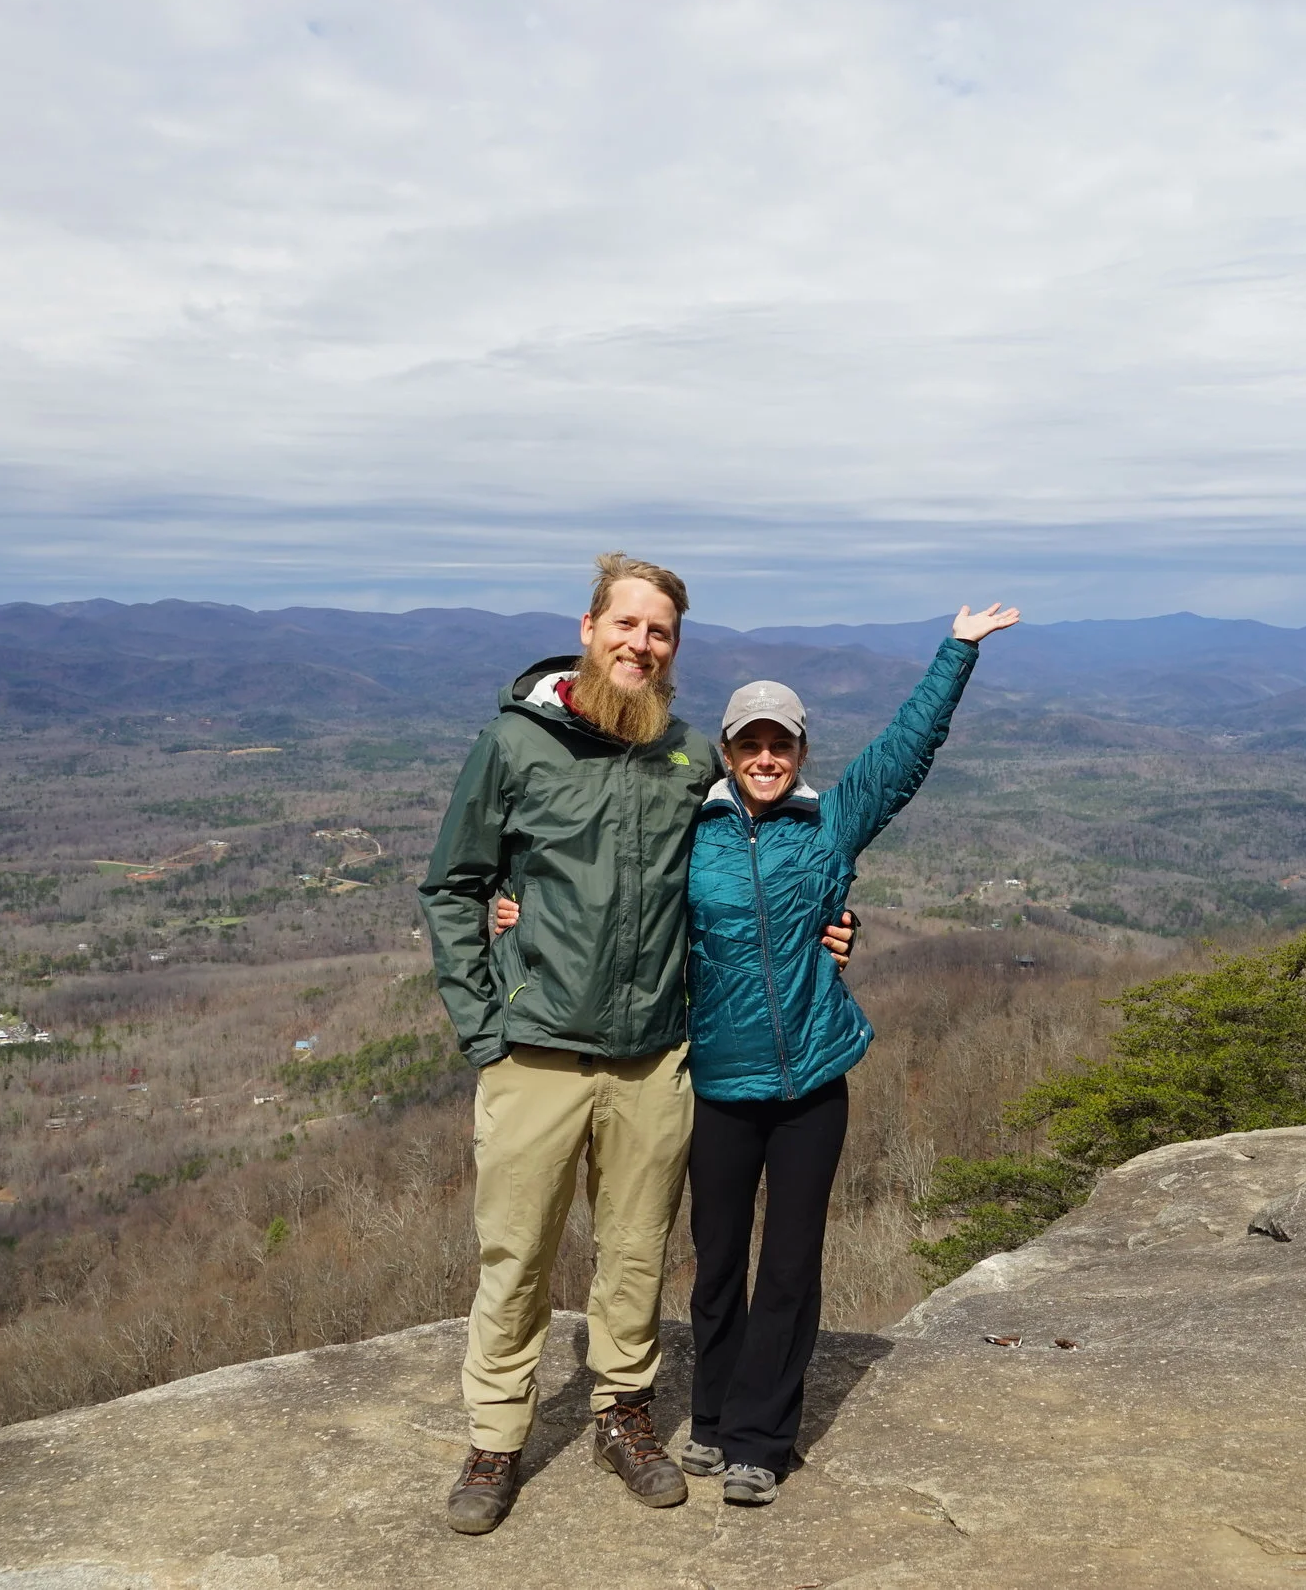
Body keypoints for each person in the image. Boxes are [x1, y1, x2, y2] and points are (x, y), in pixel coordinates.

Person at [496, 599, 1020, 1507]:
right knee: (718, 1259)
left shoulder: (830, 824)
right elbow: (606, 890)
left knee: (789, 1264)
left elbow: (905, 753)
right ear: (728, 753)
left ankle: (762, 1439)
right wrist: (517, 911)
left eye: (782, 743)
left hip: (814, 1076)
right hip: (723, 1081)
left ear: (801, 751)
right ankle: (710, 1414)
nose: (767, 757)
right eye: (750, 744)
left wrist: (955, 653)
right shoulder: (687, 834)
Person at [417, 552, 855, 1536]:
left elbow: (760, 846)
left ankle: (623, 1413)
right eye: (628, 624)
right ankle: (496, 1436)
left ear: (672, 649)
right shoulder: (513, 744)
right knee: (516, 1253)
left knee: (634, 1255)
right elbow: (454, 885)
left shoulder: (689, 756)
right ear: (588, 626)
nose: (640, 643)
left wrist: (830, 921)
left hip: (655, 1054)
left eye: (659, 632)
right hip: (534, 1050)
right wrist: (485, 1020)